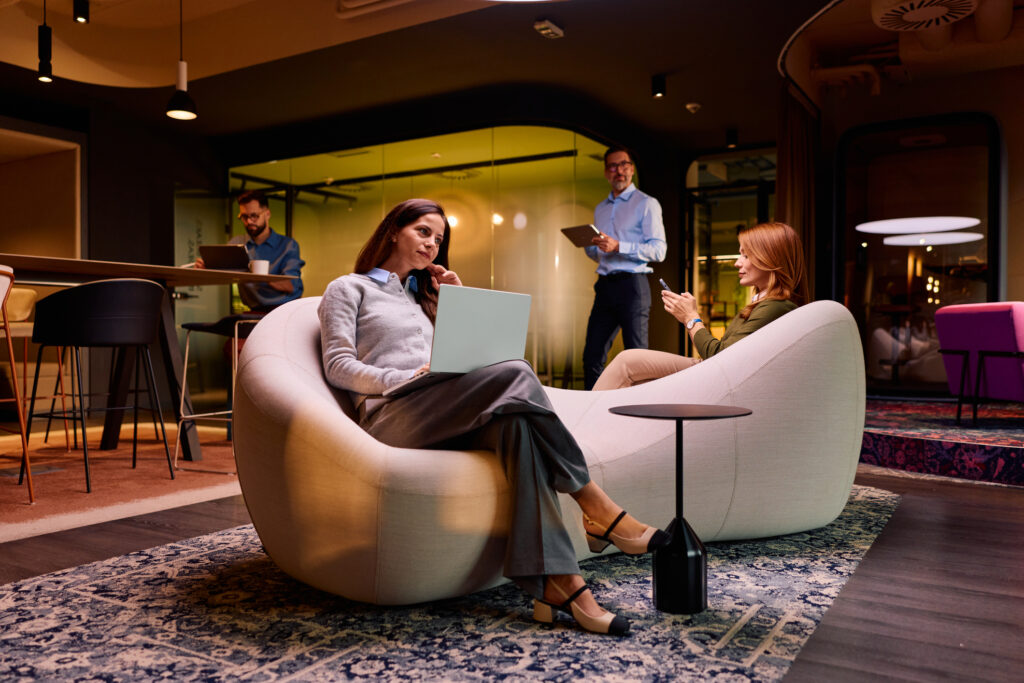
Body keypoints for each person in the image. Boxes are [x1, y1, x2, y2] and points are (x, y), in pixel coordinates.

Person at [318, 198, 666, 636]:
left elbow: (459, 360)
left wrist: (456, 303)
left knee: (518, 427)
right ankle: (594, 504)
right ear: (393, 230)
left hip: (442, 410)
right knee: (517, 370)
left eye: (439, 239)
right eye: (423, 232)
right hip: (392, 416)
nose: (431, 245)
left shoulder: (424, 295)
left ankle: (559, 584)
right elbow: (338, 366)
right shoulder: (348, 288)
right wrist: (404, 376)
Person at [593, 221, 808, 390]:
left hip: (714, 373)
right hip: (714, 371)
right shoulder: (767, 303)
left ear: (769, 259)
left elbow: (719, 357)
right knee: (635, 382)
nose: (737, 262)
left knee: (627, 361)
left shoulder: (776, 307)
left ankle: (571, 436)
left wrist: (691, 318)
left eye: (746, 255)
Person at [582, 146, 667, 390]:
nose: (618, 170)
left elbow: (659, 251)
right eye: (612, 166)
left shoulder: (647, 204)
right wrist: (591, 245)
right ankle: (591, 413)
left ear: (631, 169)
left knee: (637, 359)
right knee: (591, 357)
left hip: (633, 286)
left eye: (623, 164)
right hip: (605, 286)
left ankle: (637, 419)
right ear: (606, 172)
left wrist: (618, 245)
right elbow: (602, 254)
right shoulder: (601, 208)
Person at [195, 190, 305, 312]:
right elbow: (222, 273)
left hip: (285, 310)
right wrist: (207, 268)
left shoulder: (288, 245)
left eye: (254, 216)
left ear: (267, 214)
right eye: (244, 216)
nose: (249, 221)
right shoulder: (236, 244)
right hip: (254, 310)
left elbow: (292, 286)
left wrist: (258, 276)